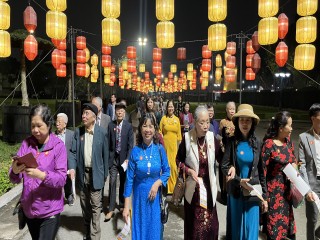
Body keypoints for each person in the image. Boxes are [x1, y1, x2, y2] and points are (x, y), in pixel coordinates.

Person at [9, 104, 67, 240]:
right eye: (32, 126)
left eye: (39, 125)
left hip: (49, 211)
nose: (35, 130)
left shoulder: (58, 147)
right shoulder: (26, 144)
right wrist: (16, 171)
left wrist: (41, 175)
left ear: (49, 124)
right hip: (29, 210)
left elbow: (61, 179)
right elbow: (14, 178)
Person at [221, 104, 268, 240]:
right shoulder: (232, 142)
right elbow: (224, 166)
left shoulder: (257, 143)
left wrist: (264, 197)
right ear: (237, 122)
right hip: (236, 192)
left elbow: (261, 172)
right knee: (236, 229)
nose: (245, 123)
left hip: (253, 193)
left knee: (252, 229)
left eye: (248, 120)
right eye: (242, 120)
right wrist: (237, 179)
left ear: (253, 122)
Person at [122, 113, 170, 240]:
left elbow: (167, 171)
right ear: (140, 129)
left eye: (151, 126)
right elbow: (129, 181)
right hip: (139, 200)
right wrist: (126, 207)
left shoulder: (159, 149)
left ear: (155, 129)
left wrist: (157, 183)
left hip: (155, 202)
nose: (148, 130)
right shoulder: (135, 152)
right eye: (145, 126)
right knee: (140, 232)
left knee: (154, 232)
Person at [176, 105, 219, 239]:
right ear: (195, 122)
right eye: (202, 122)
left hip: (209, 189)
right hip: (194, 191)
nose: (206, 125)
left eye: (207, 121)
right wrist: (188, 170)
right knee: (195, 228)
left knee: (211, 227)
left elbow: (223, 159)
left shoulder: (212, 138)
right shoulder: (187, 138)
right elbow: (178, 160)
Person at [69, 103, 109, 240]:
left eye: (86, 113)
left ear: (94, 116)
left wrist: (104, 175)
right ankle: (86, 235)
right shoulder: (78, 132)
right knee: (85, 207)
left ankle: (95, 236)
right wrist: (72, 168)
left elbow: (106, 155)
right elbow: (73, 153)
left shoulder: (102, 132)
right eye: (83, 113)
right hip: (82, 175)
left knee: (95, 208)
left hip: (96, 175)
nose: (83, 116)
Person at [261, 111, 297, 240]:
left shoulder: (289, 142)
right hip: (273, 196)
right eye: (290, 125)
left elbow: (293, 161)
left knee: (289, 232)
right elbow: (262, 172)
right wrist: (264, 197)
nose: (292, 128)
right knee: (275, 232)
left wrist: (295, 169)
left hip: (287, 195)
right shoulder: (269, 144)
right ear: (281, 128)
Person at [105, 102, 134, 221]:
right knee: (112, 182)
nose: (120, 112)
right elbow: (107, 143)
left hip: (124, 159)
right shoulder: (111, 125)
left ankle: (122, 204)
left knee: (123, 181)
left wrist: (128, 158)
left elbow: (130, 145)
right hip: (113, 159)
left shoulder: (128, 126)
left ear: (124, 112)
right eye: (118, 110)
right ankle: (111, 208)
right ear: (115, 112)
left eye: (122, 110)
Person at [299, 103, 320, 240]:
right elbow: (302, 165)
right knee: (312, 219)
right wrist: (307, 190)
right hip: (313, 185)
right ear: (313, 118)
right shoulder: (304, 137)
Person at [159, 100, 182, 194]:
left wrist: (179, 148)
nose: (171, 108)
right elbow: (160, 132)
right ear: (166, 108)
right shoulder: (163, 119)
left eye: (172, 106)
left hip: (174, 147)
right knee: (166, 166)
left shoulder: (177, 120)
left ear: (174, 108)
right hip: (165, 147)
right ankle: (166, 188)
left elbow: (179, 136)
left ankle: (174, 189)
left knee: (174, 166)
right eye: (169, 107)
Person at [55, 112, 75, 206]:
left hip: (67, 162)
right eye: (56, 121)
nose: (57, 123)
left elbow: (73, 150)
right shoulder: (53, 135)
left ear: (65, 124)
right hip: (56, 163)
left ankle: (69, 196)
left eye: (59, 121)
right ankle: (57, 198)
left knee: (68, 181)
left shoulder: (72, 134)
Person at [219, 101, 236, 204]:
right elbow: (219, 137)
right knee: (224, 175)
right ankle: (224, 196)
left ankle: (233, 194)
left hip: (235, 152)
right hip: (225, 152)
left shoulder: (238, 121)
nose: (232, 111)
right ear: (226, 110)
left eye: (233, 109)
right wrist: (222, 147)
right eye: (230, 109)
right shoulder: (223, 122)